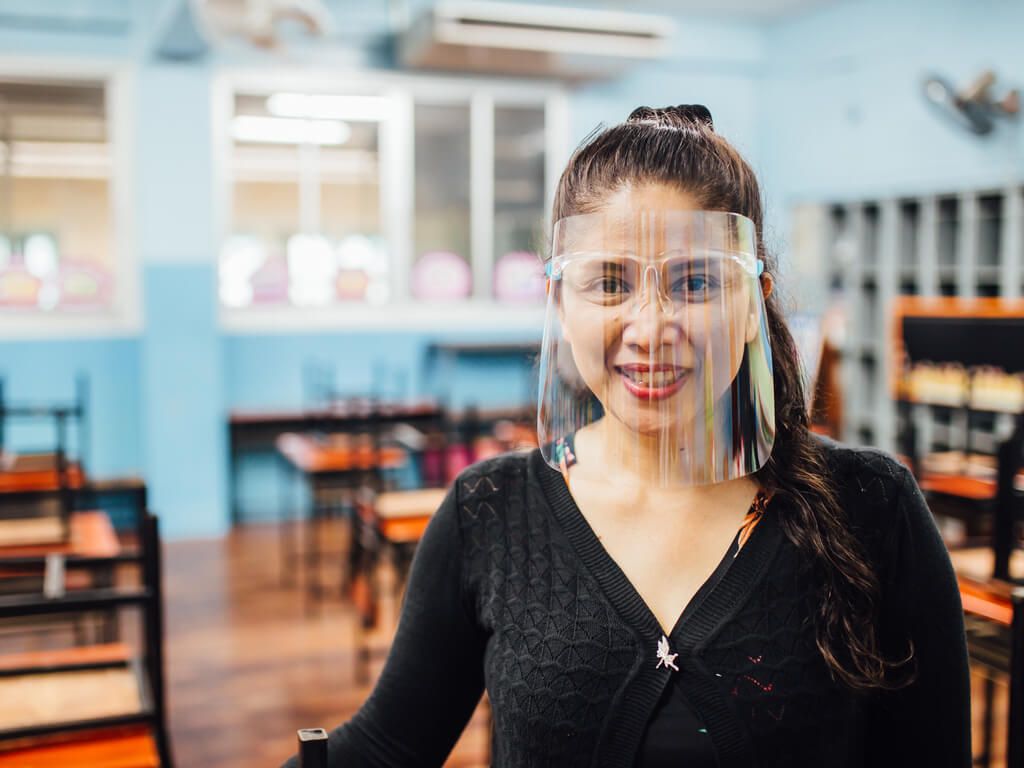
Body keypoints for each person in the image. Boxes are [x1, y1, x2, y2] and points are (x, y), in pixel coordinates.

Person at [282, 105, 971, 767]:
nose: (650, 329)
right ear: (560, 299)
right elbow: (385, 748)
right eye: (609, 282)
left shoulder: (873, 509)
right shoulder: (490, 516)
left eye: (696, 282)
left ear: (754, 297)